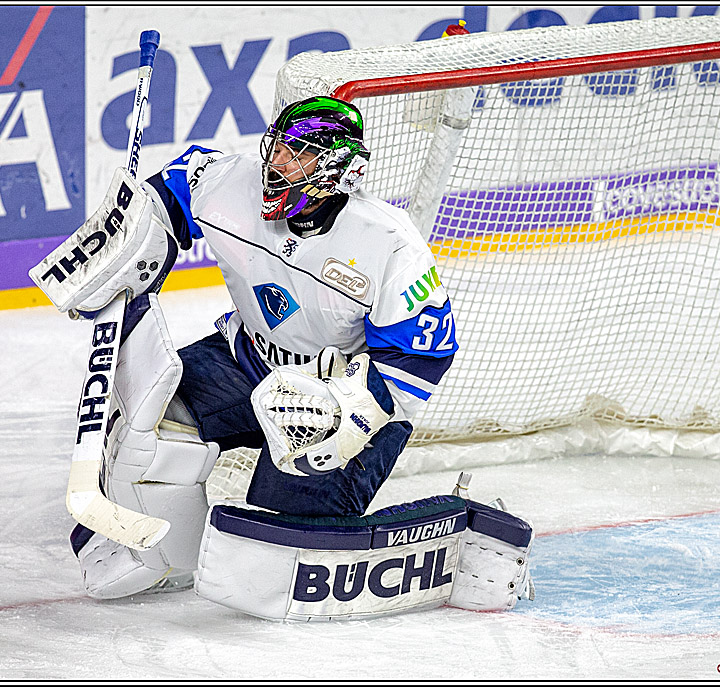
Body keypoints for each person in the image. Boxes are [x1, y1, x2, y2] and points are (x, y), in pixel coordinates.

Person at [49, 96, 530, 619]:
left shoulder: (390, 246)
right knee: (143, 427)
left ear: (337, 171)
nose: (276, 165)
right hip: (243, 360)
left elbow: (421, 357)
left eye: (296, 156)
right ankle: (169, 554)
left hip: (336, 398)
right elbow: (163, 203)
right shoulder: (223, 180)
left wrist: (346, 413)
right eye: (277, 148)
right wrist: (125, 241)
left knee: (284, 531)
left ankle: (430, 540)